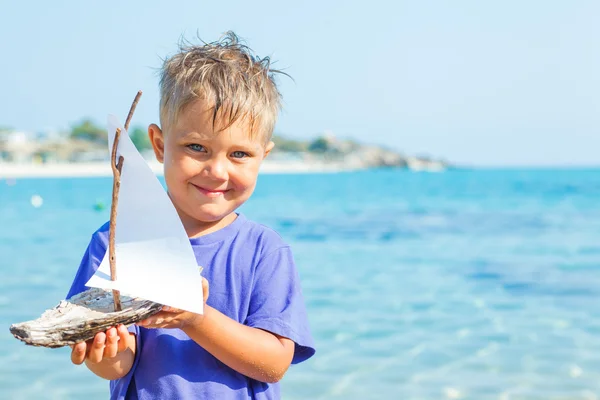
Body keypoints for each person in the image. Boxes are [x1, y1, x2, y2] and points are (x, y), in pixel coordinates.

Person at [66, 31, 315, 400]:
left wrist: (195, 317)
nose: (217, 171)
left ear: (263, 155)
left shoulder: (265, 250)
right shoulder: (117, 243)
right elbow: (117, 366)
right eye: (196, 147)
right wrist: (105, 348)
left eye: (239, 155)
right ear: (159, 145)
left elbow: (274, 362)